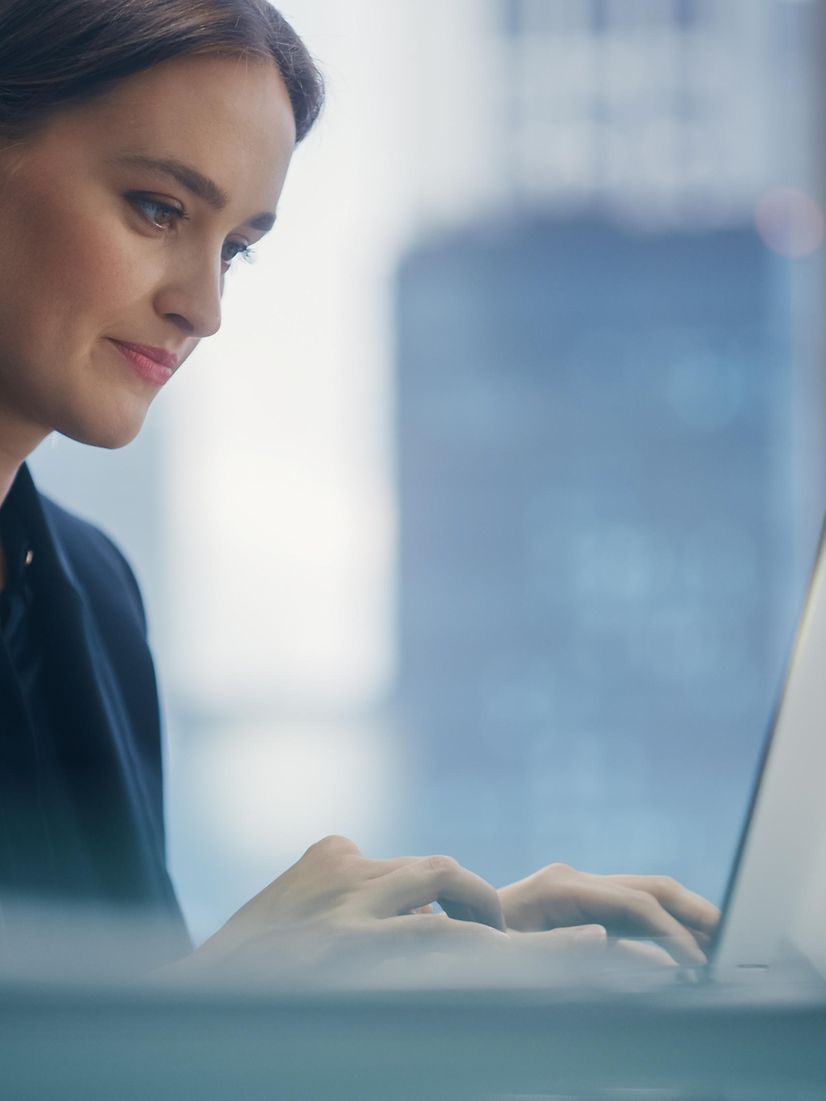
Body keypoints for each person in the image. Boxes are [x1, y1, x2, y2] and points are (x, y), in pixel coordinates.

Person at [0, 0, 718, 983]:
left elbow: (114, 1052)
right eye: (158, 208)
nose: (202, 307)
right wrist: (229, 997)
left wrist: (411, 958)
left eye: (235, 248)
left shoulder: (90, 594)